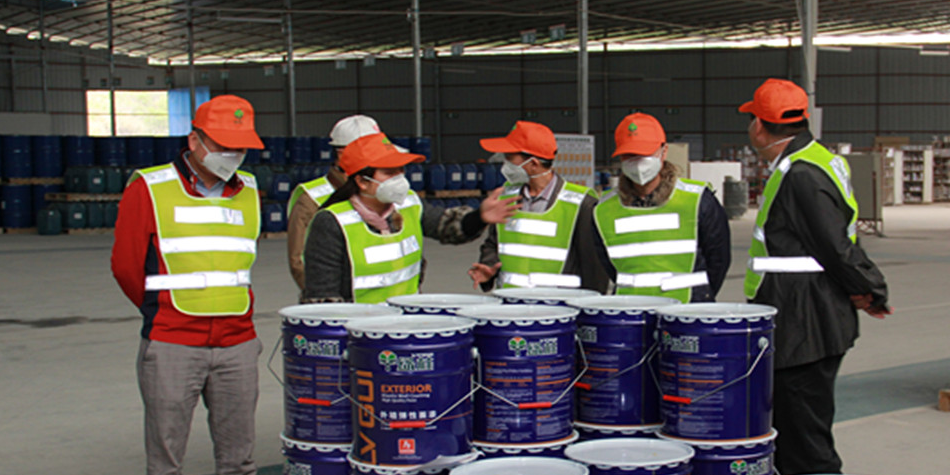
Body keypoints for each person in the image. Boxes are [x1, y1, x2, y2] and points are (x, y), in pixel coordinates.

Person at [111, 94, 283, 475]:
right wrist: (162, 313)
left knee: (239, 450)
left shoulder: (248, 190)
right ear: (195, 141)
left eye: (241, 147)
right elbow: (126, 266)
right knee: (167, 454)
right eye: (223, 146)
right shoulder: (149, 188)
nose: (233, 156)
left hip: (237, 341)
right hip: (173, 341)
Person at [739, 78, 892, 475]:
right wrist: (860, 289)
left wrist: (870, 289)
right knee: (794, 430)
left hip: (804, 323)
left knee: (805, 440)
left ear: (760, 126)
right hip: (806, 313)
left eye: (752, 118)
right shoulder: (812, 161)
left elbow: (833, 245)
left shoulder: (801, 174)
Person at [300, 131, 519, 302]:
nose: (400, 178)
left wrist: (479, 217)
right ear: (362, 182)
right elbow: (323, 298)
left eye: (401, 170)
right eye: (389, 172)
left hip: (405, 326)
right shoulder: (332, 222)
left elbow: (447, 227)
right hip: (359, 333)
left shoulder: (408, 205)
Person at [591, 113, 731, 302]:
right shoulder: (603, 209)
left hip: (687, 309)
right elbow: (608, 265)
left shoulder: (698, 200)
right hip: (630, 310)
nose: (637, 162)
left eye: (644, 154)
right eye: (630, 155)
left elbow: (718, 260)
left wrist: (701, 296)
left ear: (663, 152)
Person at [468, 120, 609, 293]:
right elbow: (493, 243)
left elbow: (594, 267)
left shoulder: (581, 203)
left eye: (510, 158)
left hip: (558, 306)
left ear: (533, 164)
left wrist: (591, 304)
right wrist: (488, 266)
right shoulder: (505, 196)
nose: (505, 164)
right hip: (510, 303)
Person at [286, 114, 379, 290]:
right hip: (340, 302)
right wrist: (326, 299)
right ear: (342, 153)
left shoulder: (382, 189)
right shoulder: (312, 198)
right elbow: (299, 261)